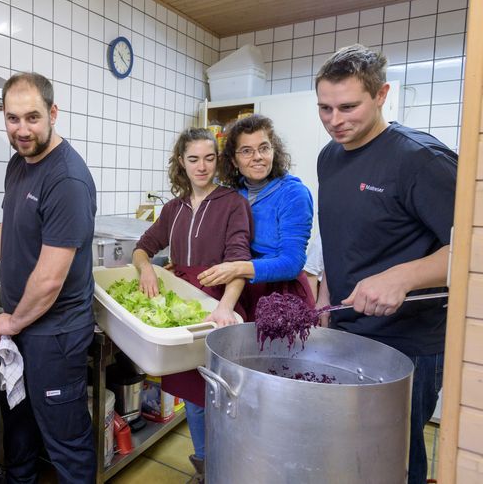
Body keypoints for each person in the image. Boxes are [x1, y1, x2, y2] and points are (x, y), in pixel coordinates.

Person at [314, 44, 456, 484]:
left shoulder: (420, 159)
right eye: (324, 108)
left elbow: (473, 250)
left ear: (381, 95)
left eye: (348, 106)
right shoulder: (328, 156)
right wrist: (323, 307)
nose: (335, 120)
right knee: (350, 456)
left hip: (408, 343)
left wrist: (404, 276)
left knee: (394, 462)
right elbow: (338, 240)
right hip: (347, 333)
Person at [0, 72, 97, 484]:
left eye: (32, 117)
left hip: (54, 334)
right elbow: (12, 226)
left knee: (66, 440)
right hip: (19, 327)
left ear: (53, 113)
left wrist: (11, 321)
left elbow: (50, 278)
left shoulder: (66, 179)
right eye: (13, 119)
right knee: (18, 430)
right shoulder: (19, 162)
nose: (22, 129)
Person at [132, 127, 252, 484]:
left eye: (209, 158)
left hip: (219, 309)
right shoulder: (173, 208)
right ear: (181, 163)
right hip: (181, 314)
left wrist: (225, 309)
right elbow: (143, 246)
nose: (202, 167)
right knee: (195, 400)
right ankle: (204, 468)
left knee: (224, 397)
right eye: (194, 159)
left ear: (219, 161)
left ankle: (230, 470)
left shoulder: (233, 203)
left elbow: (239, 261)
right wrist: (147, 269)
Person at [209, 113, 315, 317]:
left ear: (274, 151)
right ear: (233, 160)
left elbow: (292, 263)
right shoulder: (233, 194)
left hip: (282, 299)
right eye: (246, 151)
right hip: (241, 292)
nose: (257, 156)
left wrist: (237, 268)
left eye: (264, 148)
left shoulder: (293, 194)